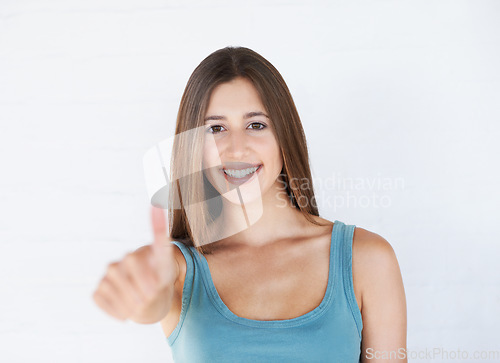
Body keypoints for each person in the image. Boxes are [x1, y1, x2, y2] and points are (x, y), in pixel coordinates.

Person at [92, 46, 407, 362]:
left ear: (284, 135)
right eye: (216, 128)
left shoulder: (366, 260)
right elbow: (153, 295)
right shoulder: (179, 269)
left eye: (256, 125)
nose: (237, 149)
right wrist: (139, 288)